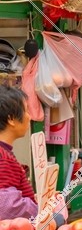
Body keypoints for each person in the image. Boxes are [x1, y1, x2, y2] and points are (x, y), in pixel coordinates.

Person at [0, 85, 36, 219]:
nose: (29, 117)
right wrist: (39, 211)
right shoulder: (2, 157)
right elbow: (5, 205)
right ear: (11, 119)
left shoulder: (5, 152)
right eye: (26, 110)